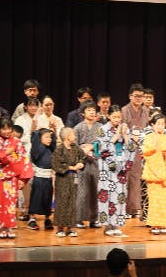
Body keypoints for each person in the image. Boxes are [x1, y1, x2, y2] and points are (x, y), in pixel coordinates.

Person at [0, 117, 31, 239]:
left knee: (10, 203)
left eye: (9, 129)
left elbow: (23, 159)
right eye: (3, 129)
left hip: (12, 177)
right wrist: (7, 153)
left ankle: (10, 227)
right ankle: (2, 228)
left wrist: (22, 178)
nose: (6, 131)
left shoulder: (16, 142)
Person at [142, 113, 166, 235]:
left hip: (165, 172)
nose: (160, 126)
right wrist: (158, 150)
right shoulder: (149, 137)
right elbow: (148, 152)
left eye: (162, 124)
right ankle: (154, 224)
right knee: (154, 201)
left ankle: (162, 224)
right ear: (152, 125)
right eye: (158, 124)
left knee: (163, 201)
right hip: (154, 173)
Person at [97, 105, 132, 236]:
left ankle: (116, 224)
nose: (117, 119)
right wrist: (116, 137)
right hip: (106, 167)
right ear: (108, 116)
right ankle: (107, 226)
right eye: (114, 117)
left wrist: (125, 136)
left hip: (120, 166)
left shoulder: (124, 128)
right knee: (107, 194)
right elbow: (101, 149)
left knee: (119, 195)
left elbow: (131, 148)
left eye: (119, 117)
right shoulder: (102, 129)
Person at [51, 127, 86, 237]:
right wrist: (71, 167)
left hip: (73, 178)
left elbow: (83, 156)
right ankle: (60, 228)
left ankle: (71, 228)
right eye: (73, 134)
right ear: (67, 137)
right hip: (62, 179)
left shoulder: (75, 148)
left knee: (72, 202)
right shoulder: (59, 149)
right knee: (62, 202)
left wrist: (80, 163)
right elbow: (55, 164)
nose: (74, 137)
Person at [121, 83, 149, 219]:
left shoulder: (146, 111)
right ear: (130, 96)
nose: (139, 98)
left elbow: (148, 128)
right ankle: (125, 208)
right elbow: (122, 128)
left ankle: (135, 208)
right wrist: (132, 136)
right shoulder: (124, 110)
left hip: (141, 148)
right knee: (127, 177)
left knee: (138, 178)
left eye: (141, 96)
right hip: (127, 147)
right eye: (136, 96)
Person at [74, 99, 103, 228]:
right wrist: (83, 149)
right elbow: (74, 146)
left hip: (96, 162)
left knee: (95, 190)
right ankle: (79, 219)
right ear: (83, 113)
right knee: (82, 191)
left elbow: (104, 143)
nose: (92, 112)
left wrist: (91, 146)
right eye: (89, 110)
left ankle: (94, 219)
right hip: (83, 163)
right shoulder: (78, 127)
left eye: (93, 110)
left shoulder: (100, 127)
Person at [14, 97, 41, 221]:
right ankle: (25, 210)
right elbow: (16, 138)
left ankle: (34, 210)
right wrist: (31, 132)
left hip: (38, 154)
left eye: (35, 105)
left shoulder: (40, 118)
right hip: (24, 153)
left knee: (36, 182)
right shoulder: (20, 119)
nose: (33, 108)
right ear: (25, 106)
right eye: (31, 105)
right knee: (25, 182)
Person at [28, 128, 57, 231]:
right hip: (38, 178)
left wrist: (53, 132)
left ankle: (47, 219)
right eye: (46, 137)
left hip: (48, 178)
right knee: (36, 198)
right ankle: (32, 219)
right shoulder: (36, 149)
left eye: (50, 137)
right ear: (39, 138)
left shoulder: (51, 149)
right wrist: (37, 132)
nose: (50, 139)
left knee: (47, 198)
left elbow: (54, 142)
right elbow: (35, 135)